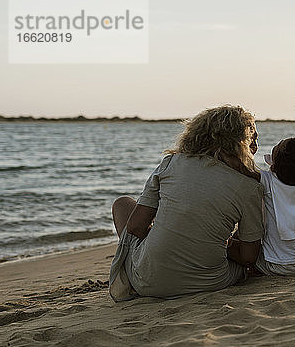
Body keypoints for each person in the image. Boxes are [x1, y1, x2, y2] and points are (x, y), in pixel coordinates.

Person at [109, 105, 264, 301]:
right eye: (253, 139)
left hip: (148, 283)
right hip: (210, 281)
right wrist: (216, 242)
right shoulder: (250, 187)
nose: (256, 147)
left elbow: (136, 228)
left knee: (122, 204)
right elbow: (249, 256)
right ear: (239, 142)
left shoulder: (171, 163)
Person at [227, 90, 295, 276]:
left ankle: (254, 269)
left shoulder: (267, 181)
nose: (279, 142)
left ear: (275, 165)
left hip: (281, 265)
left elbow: (237, 165)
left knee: (230, 246)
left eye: (279, 146)